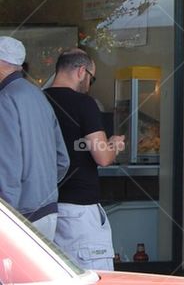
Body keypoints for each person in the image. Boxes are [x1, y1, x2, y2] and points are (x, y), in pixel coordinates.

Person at [45, 49, 125, 270]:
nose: (90, 84)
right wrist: (114, 145)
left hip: (45, 208)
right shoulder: (83, 103)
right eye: (92, 77)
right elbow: (102, 157)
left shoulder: (38, 100)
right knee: (93, 275)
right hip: (79, 209)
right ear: (81, 71)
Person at [0, 37, 69, 240]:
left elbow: (7, 165)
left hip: (19, 214)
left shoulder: (5, 99)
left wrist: (6, 216)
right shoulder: (39, 96)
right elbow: (62, 159)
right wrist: (42, 186)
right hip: (47, 210)